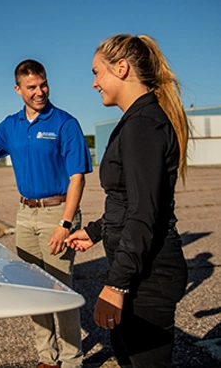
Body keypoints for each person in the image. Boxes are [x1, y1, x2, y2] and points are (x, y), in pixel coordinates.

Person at [0, 59, 92, 368]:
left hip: (58, 213)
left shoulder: (64, 123)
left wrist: (65, 224)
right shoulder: (10, 126)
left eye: (43, 85)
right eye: (31, 87)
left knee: (61, 291)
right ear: (18, 89)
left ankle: (71, 361)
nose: (39, 92)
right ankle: (47, 358)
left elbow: (77, 178)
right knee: (34, 290)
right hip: (25, 215)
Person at [67, 34, 189, 368]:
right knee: (126, 355)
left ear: (121, 68)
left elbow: (143, 213)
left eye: (97, 73)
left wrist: (116, 286)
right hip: (139, 270)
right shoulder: (137, 121)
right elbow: (127, 201)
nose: (94, 83)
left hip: (149, 275)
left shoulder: (142, 125)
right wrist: (94, 231)